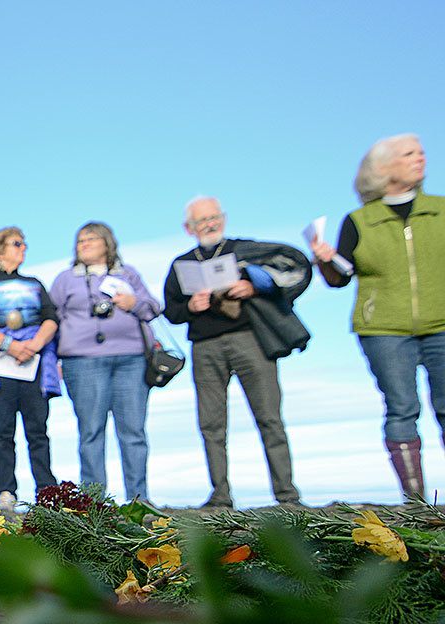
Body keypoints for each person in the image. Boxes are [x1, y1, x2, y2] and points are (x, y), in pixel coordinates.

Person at [312, 134, 443, 501]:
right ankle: (416, 503)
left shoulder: (441, 209)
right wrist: (325, 260)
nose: (420, 157)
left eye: (421, 152)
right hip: (383, 328)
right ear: (383, 168)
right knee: (402, 408)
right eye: (409, 153)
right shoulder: (358, 220)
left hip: (442, 324)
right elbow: (340, 276)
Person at [163, 196, 310, 509]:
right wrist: (190, 306)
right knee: (211, 423)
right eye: (202, 221)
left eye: (214, 217)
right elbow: (171, 311)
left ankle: (287, 495)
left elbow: (290, 271)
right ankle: (220, 495)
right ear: (189, 228)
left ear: (224, 219)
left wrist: (254, 288)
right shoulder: (181, 264)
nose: (209, 224)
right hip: (205, 346)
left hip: (250, 339)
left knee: (269, 417)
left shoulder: (247, 249)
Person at [50, 222, 162, 504]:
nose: (83, 244)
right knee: (91, 431)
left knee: (133, 430)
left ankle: (139, 500)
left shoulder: (128, 274)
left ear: (107, 243)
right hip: (83, 362)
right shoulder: (65, 279)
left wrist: (132, 302)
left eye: (90, 239)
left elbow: (152, 308)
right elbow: (52, 319)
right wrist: (54, 361)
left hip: (131, 360)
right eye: (79, 240)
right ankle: (94, 502)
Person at [0, 226, 61, 513]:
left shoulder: (34, 283)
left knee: (38, 431)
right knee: (3, 431)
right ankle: (6, 491)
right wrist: (9, 344)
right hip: (0, 368)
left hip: (34, 368)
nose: (23, 248)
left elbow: (51, 317)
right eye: (17, 243)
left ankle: (46, 490)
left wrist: (33, 344)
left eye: (24, 244)